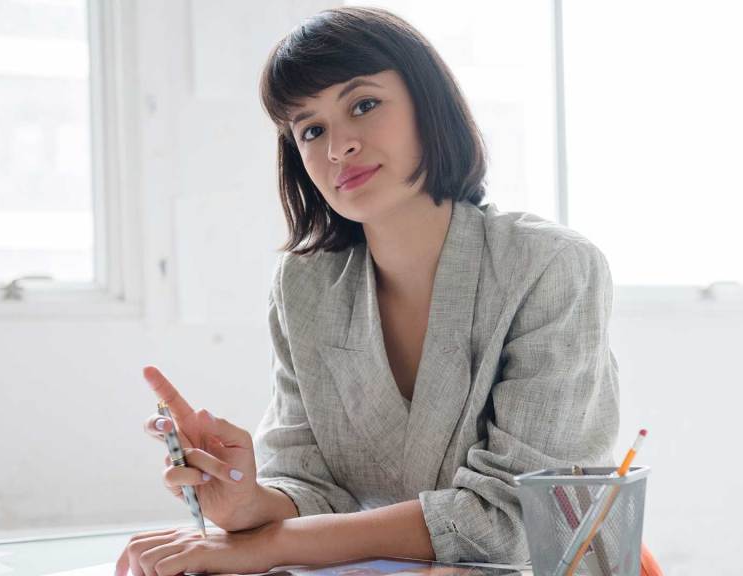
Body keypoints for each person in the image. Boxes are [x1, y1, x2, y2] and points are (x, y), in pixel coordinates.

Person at [115, 6, 619, 576]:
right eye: (311, 129)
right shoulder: (304, 286)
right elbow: (312, 486)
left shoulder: (552, 267)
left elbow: (517, 520)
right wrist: (248, 503)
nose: (338, 147)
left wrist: (273, 543)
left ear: (430, 107)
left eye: (364, 105)